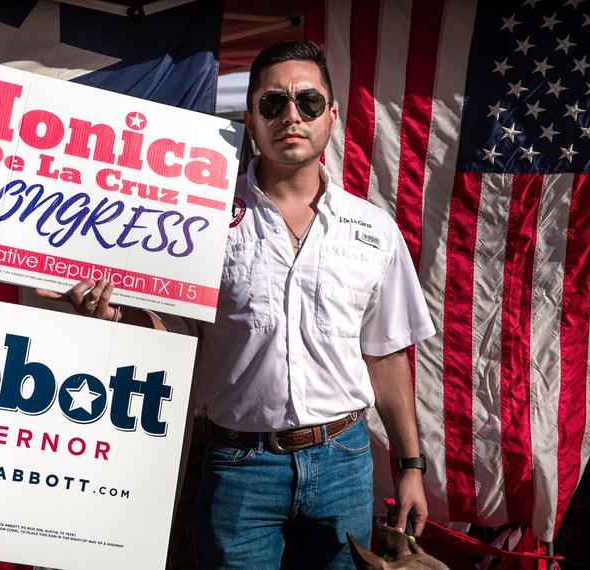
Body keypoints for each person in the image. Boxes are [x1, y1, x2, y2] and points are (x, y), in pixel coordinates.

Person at [39, 40, 436, 569]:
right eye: (272, 104)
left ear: (332, 117)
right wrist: (111, 312)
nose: (291, 116)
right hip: (237, 464)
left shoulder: (374, 231)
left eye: (308, 103)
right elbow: (173, 329)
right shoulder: (199, 220)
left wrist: (410, 465)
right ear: (250, 120)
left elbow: (385, 356)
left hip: (344, 461)